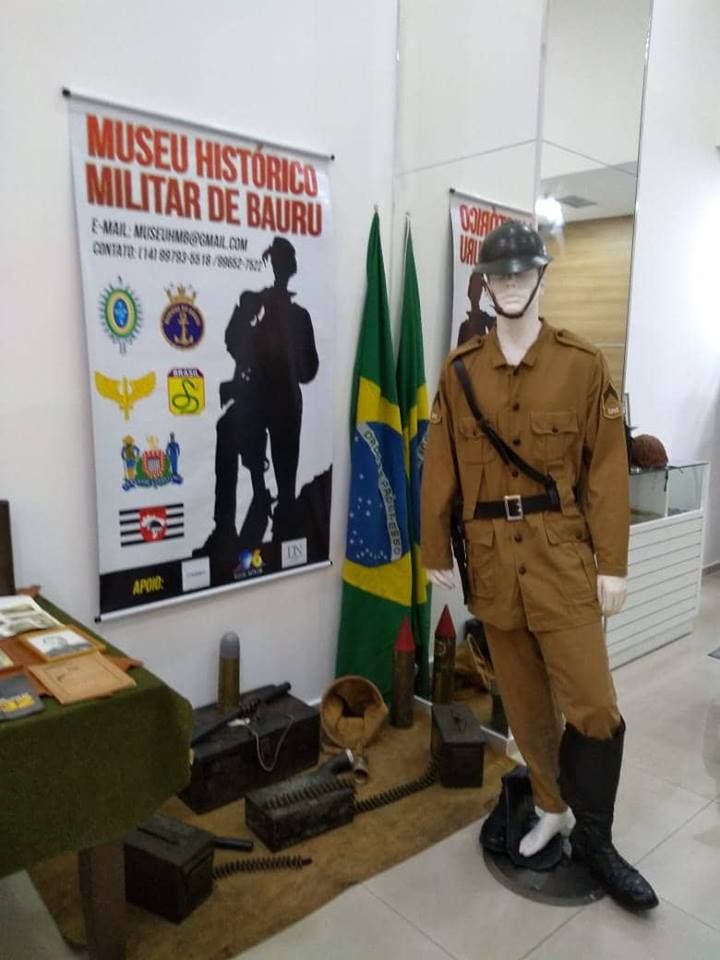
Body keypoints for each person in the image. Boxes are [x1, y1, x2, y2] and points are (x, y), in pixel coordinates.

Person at [421, 220, 657, 912]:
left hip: (561, 560)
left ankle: (598, 841)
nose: (511, 285)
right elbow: (441, 467)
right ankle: (552, 807)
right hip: (494, 566)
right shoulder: (460, 372)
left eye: (522, 273)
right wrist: (435, 549)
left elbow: (607, 470)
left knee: (594, 704)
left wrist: (613, 562)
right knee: (525, 705)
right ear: (485, 285)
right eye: (499, 275)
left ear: (541, 278)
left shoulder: (581, 366)